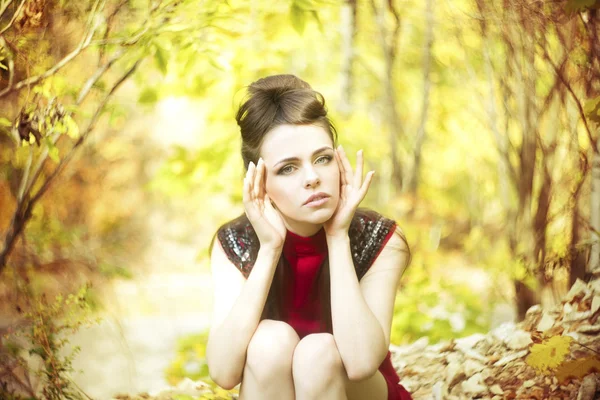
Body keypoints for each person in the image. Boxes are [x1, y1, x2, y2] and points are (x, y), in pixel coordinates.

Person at [206, 74, 412, 400]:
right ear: (260, 183)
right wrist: (271, 248)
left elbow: (360, 363)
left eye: (322, 158)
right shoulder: (235, 242)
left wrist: (338, 236)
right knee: (267, 343)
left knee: (317, 354)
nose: (313, 178)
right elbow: (223, 372)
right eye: (288, 168)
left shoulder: (380, 237)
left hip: (362, 392)